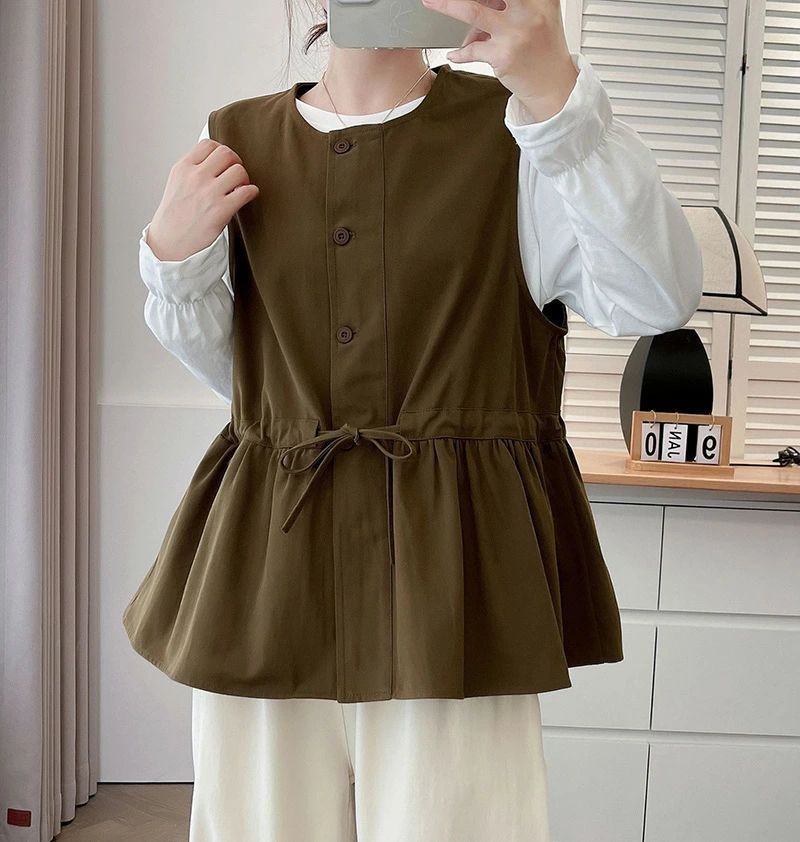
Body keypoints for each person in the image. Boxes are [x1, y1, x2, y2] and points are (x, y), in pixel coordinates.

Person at [125, 0, 703, 839]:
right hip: (269, 561)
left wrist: (559, 98)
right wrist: (171, 259)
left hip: (459, 567)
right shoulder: (236, 141)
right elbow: (246, 380)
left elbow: (654, 299)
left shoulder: (522, 130)